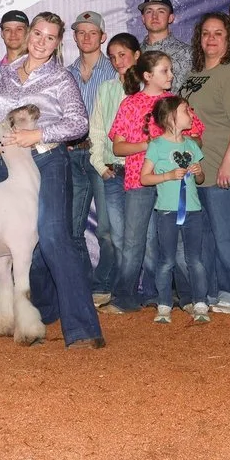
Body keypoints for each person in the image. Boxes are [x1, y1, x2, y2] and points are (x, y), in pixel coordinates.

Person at [0, 11, 104, 349]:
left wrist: (37, 134)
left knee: (54, 236)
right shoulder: (4, 75)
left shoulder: (61, 78)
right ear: (29, 34)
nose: (42, 42)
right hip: (8, 167)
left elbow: (79, 123)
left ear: (58, 43)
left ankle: (83, 329)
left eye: (50, 37)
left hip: (47, 162)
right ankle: (43, 312)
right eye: (38, 34)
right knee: (26, 243)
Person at [106, 50, 204, 313]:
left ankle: (186, 296)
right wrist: (148, 144)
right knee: (136, 240)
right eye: (165, 70)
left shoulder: (176, 104)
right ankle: (128, 297)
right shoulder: (130, 104)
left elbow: (197, 137)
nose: (171, 75)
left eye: (170, 69)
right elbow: (118, 147)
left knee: (178, 242)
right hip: (140, 180)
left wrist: (175, 143)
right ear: (147, 76)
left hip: (175, 184)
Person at [179, 12, 230, 315]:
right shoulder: (194, 73)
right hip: (200, 171)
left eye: (218, 33)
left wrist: (227, 164)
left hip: (228, 170)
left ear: (229, 38)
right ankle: (210, 292)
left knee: (229, 234)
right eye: (205, 33)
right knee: (206, 237)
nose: (211, 39)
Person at [140, 96, 208, 325]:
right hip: (167, 211)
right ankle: (164, 304)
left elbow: (200, 179)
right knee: (167, 260)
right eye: (185, 111)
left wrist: (198, 172)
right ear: (171, 117)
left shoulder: (191, 144)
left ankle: (200, 302)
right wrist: (168, 176)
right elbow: (144, 178)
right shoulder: (157, 146)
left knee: (195, 259)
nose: (191, 115)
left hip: (193, 210)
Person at [66, 11, 117, 289]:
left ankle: (104, 283)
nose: (86, 37)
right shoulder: (66, 73)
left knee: (107, 228)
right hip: (72, 153)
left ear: (102, 37)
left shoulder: (115, 71)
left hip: (102, 154)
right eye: (81, 32)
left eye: (92, 32)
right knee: (72, 226)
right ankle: (80, 283)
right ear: (74, 37)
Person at [88, 33, 140, 304]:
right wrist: (99, 164)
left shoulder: (147, 88)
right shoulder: (106, 88)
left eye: (123, 55)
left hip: (141, 169)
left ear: (137, 55)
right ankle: (114, 285)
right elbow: (97, 129)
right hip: (110, 168)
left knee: (139, 232)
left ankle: (138, 288)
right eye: (112, 57)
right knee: (110, 232)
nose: (118, 61)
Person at [138, 0, 192, 92]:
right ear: (143, 18)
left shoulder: (189, 54)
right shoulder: (134, 54)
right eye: (149, 11)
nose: (154, 16)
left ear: (170, 18)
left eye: (161, 11)